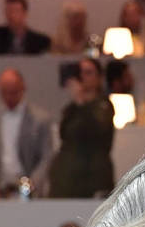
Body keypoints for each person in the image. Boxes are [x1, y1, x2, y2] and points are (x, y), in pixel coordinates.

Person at [0, 68, 55, 197]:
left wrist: (32, 183)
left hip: (29, 186)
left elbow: (47, 156)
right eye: (4, 92)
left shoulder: (41, 119)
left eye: (13, 92)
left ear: (23, 89)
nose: (9, 97)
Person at [48, 58, 115, 198]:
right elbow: (63, 134)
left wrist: (81, 102)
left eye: (88, 73)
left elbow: (96, 131)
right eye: (80, 72)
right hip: (67, 178)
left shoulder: (104, 105)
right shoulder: (72, 107)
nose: (83, 77)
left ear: (99, 77)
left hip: (92, 178)